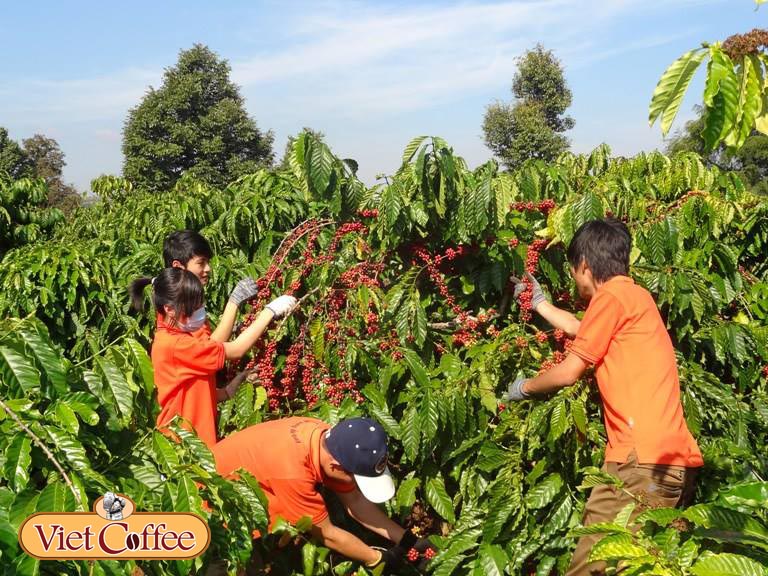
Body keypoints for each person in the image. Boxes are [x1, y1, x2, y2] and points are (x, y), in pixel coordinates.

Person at [504, 218, 703, 576]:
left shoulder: (609, 297)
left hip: (639, 463)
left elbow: (568, 372)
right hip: (669, 462)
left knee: (591, 567)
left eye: (573, 272)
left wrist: (524, 388)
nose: (574, 281)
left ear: (584, 265)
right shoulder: (635, 297)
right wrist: (540, 304)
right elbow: (582, 330)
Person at [212, 416, 437, 572]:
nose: (356, 485)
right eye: (357, 478)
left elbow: (355, 500)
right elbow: (327, 534)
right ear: (336, 467)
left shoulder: (328, 439)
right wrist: (378, 559)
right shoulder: (293, 472)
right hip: (212, 516)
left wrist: (408, 540)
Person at [130, 268, 296, 448]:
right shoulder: (177, 345)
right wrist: (269, 312)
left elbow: (189, 391)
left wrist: (230, 388)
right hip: (183, 448)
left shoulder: (173, 337)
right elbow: (236, 349)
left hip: (189, 443)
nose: (199, 312)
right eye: (193, 308)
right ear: (169, 309)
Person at [162, 230, 257, 343]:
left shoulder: (188, 297)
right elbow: (210, 348)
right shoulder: (178, 304)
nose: (208, 268)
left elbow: (206, 342)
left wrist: (231, 329)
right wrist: (234, 303)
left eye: (208, 262)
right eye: (201, 263)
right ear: (178, 266)